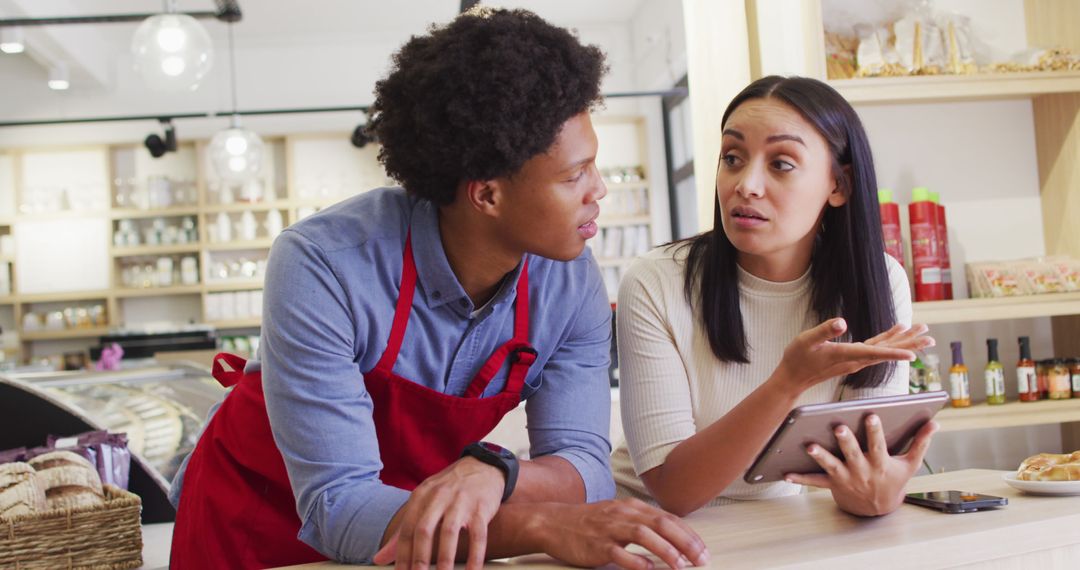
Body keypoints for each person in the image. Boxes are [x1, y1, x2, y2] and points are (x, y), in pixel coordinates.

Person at [169, 8, 707, 570]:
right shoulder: (323, 264)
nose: (598, 190)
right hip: (258, 520)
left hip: (420, 525)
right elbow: (339, 506)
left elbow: (587, 469)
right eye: (574, 175)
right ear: (487, 196)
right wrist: (539, 522)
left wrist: (494, 472)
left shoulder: (569, 284)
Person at [611, 75, 938, 518]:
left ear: (838, 185)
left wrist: (879, 491)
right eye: (732, 157)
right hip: (648, 527)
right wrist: (789, 381)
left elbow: (859, 477)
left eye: (781, 163)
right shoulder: (656, 281)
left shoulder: (876, 281)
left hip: (777, 524)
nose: (746, 184)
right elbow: (676, 490)